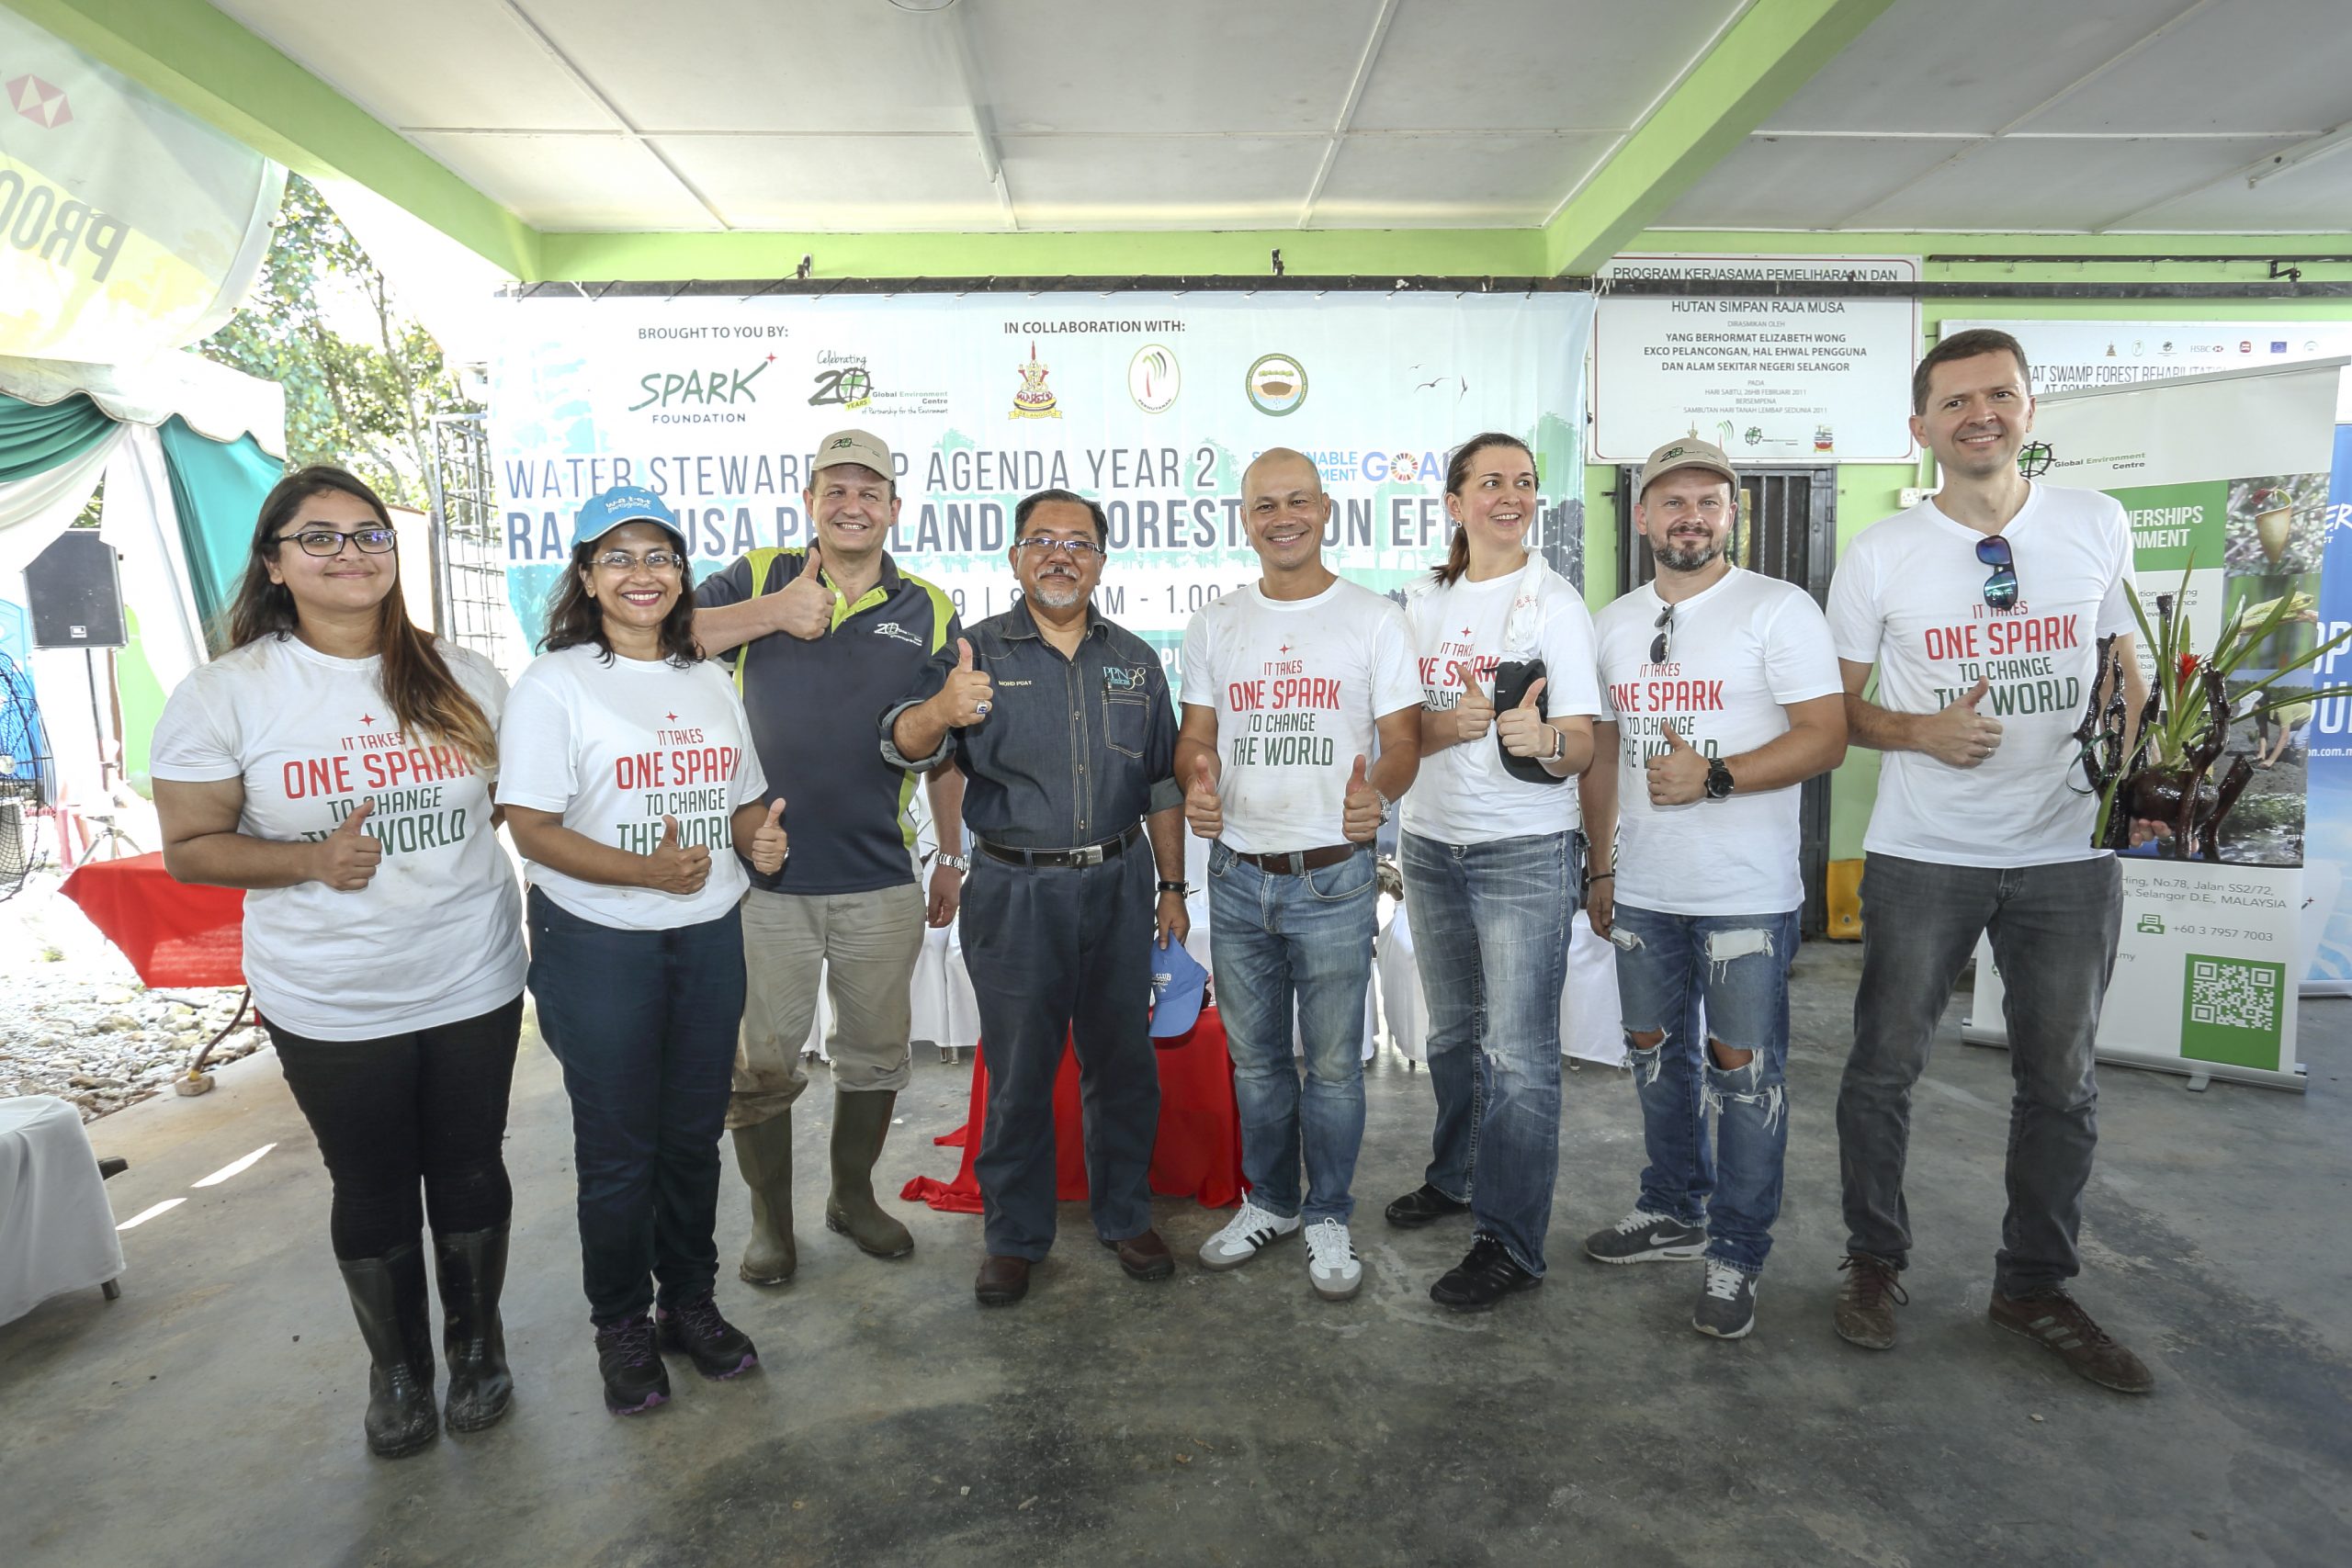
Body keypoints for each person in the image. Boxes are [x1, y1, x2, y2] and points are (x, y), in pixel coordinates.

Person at [153, 466, 526, 1458]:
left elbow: (506, 806)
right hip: (329, 993)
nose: (349, 553)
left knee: (468, 1165)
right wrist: (308, 861)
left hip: (471, 973)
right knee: (368, 1183)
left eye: (368, 534)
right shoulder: (227, 693)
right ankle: (397, 1371)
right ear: (274, 564)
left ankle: (479, 1349)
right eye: (318, 537)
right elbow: (191, 849)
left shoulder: (463, 674)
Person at [1827, 327, 2154, 1393]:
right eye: (1957, 401)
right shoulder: (1881, 552)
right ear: (1919, 429)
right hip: (1925, 855)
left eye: (1999, 396)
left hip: (2067, 856)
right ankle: (1873, 1263)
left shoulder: (2095, 524)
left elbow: (2122, 671)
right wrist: (1918, 732)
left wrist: (2144, 769)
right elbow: (1833, 710)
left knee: (2059, 1084)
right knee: (1883, 1070)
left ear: (2027, 409)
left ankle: (2032, 1286)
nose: (1981, 415)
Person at [497, 487, 786, 1416]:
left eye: (658, 556)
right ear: (585, 577)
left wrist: (757, 837)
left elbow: (739, 798)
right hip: (599, 942)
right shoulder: (555, 684)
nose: (641, 574)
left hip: (705, 932)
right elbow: (530, 827)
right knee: (620, 1148)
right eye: (617, 557)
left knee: (693, 1133)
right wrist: (640, 872)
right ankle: (620, 1322)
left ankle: (688, 1304)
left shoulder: (706, 677)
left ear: (680, 576)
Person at [882, 489, 1189, 1304]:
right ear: (1015, 557)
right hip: (1015, 889)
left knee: (1122, 1063)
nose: (1061, 555)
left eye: (1079, 542)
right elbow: (911, 745)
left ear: (1101, 560)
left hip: (1122, 885)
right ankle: (1015, 1234)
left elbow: (1161, 781)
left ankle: (1125, 1215)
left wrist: (1171, 885)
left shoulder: (1135, 659)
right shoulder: (973, 652)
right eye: (1042, 541)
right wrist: (937, 711)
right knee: (1019, 1070)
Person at [1579, 437, 1846, 1339]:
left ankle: (1736, 1252)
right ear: (1644, 516)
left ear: (1733, 515)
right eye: (1671, 501)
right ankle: (1671, 1208)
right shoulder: (1613, 622)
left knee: (1745, 1076)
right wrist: (1602, 863)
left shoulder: (1778, 609)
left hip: (1744, 894)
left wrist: (1718, 775)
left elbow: (1825, 735)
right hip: (1646, 887)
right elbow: (1607, 751)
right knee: (1654, 1059)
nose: (1689, 517)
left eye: (1708, 502)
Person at [692, 428, 964, 1280]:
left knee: (878, 1053)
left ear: (894, 507)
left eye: (869, 490)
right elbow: (665, 635)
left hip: (880, 876)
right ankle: (771, 1224)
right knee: (759, 1063)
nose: (853, 504)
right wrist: (772, 615)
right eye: (835, 489)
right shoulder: (759, 573)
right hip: (762, 875)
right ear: (810, 499)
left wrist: (950, 854)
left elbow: (943, 739)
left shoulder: (927, 606)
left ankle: (852, 1196)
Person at [1178, 447, 1421, 1301]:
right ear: (1244, 520)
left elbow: (1402, 743)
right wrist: (1196, 778)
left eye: (1297, 502)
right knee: (1255, 1066)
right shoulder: (1215, 623)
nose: (1282, 517)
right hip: (1238, 873)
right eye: (1263, 505)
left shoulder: (1374, 618)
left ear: (1325, 512)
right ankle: (1272, 1201)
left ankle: (1328, 1213)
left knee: (1332, 1066)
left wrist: (1377, 795)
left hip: (1335, 877)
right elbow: (1195, 736)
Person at [1388, 434, 1600, 1310]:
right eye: (1489, 482)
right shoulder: (1419, 601)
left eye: (1523, 482)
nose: (1508, 496)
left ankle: (1509, 1242)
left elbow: (1584, 742)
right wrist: (1447, 721)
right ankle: (1458, 1173)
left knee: (1517, 1056)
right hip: (1432, 844)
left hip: (1523, 850)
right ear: (1454, 501)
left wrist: (1546, 742)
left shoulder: (1555, 604)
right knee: (1449, 1034)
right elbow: (1395, 729)